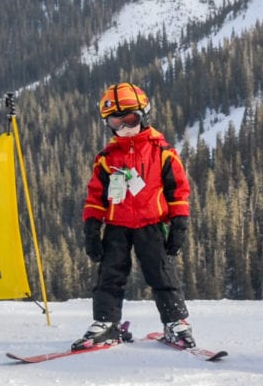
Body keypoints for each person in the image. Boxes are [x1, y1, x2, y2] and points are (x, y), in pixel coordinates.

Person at [73, 82, 195, 349]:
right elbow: (96, 196)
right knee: (109, 275)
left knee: (161, 274)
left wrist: (180, 223)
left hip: (151, 225)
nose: (124, 127)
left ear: (144, 114)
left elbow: (178, 191)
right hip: (116, 226)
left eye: (130, 118)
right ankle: (106, 323)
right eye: (115, 121)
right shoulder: (106, 158)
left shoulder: (162, 153)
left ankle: (176, 322)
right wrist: (92, 228)